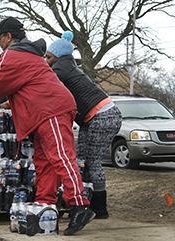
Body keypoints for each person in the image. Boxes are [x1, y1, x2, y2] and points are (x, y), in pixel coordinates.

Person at [0, 17, 95, 235]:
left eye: (0, 38)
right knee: (45, 160)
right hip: (42, 112)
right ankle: (45, 203)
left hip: (51, 109)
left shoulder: (14, 54)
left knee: (60, 157)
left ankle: (79, 205)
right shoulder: (23, 55)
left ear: (9, 36)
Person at [45, 31, 122, 219]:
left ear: (58, 56)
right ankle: (84, 201)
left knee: (93, 162)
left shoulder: (59, 70)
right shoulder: (68, 67)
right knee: (82, 160)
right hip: (95, 117)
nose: (45, 60)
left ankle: (99, 208)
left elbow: (43, 86)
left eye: (48, 56)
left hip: (103, 115)